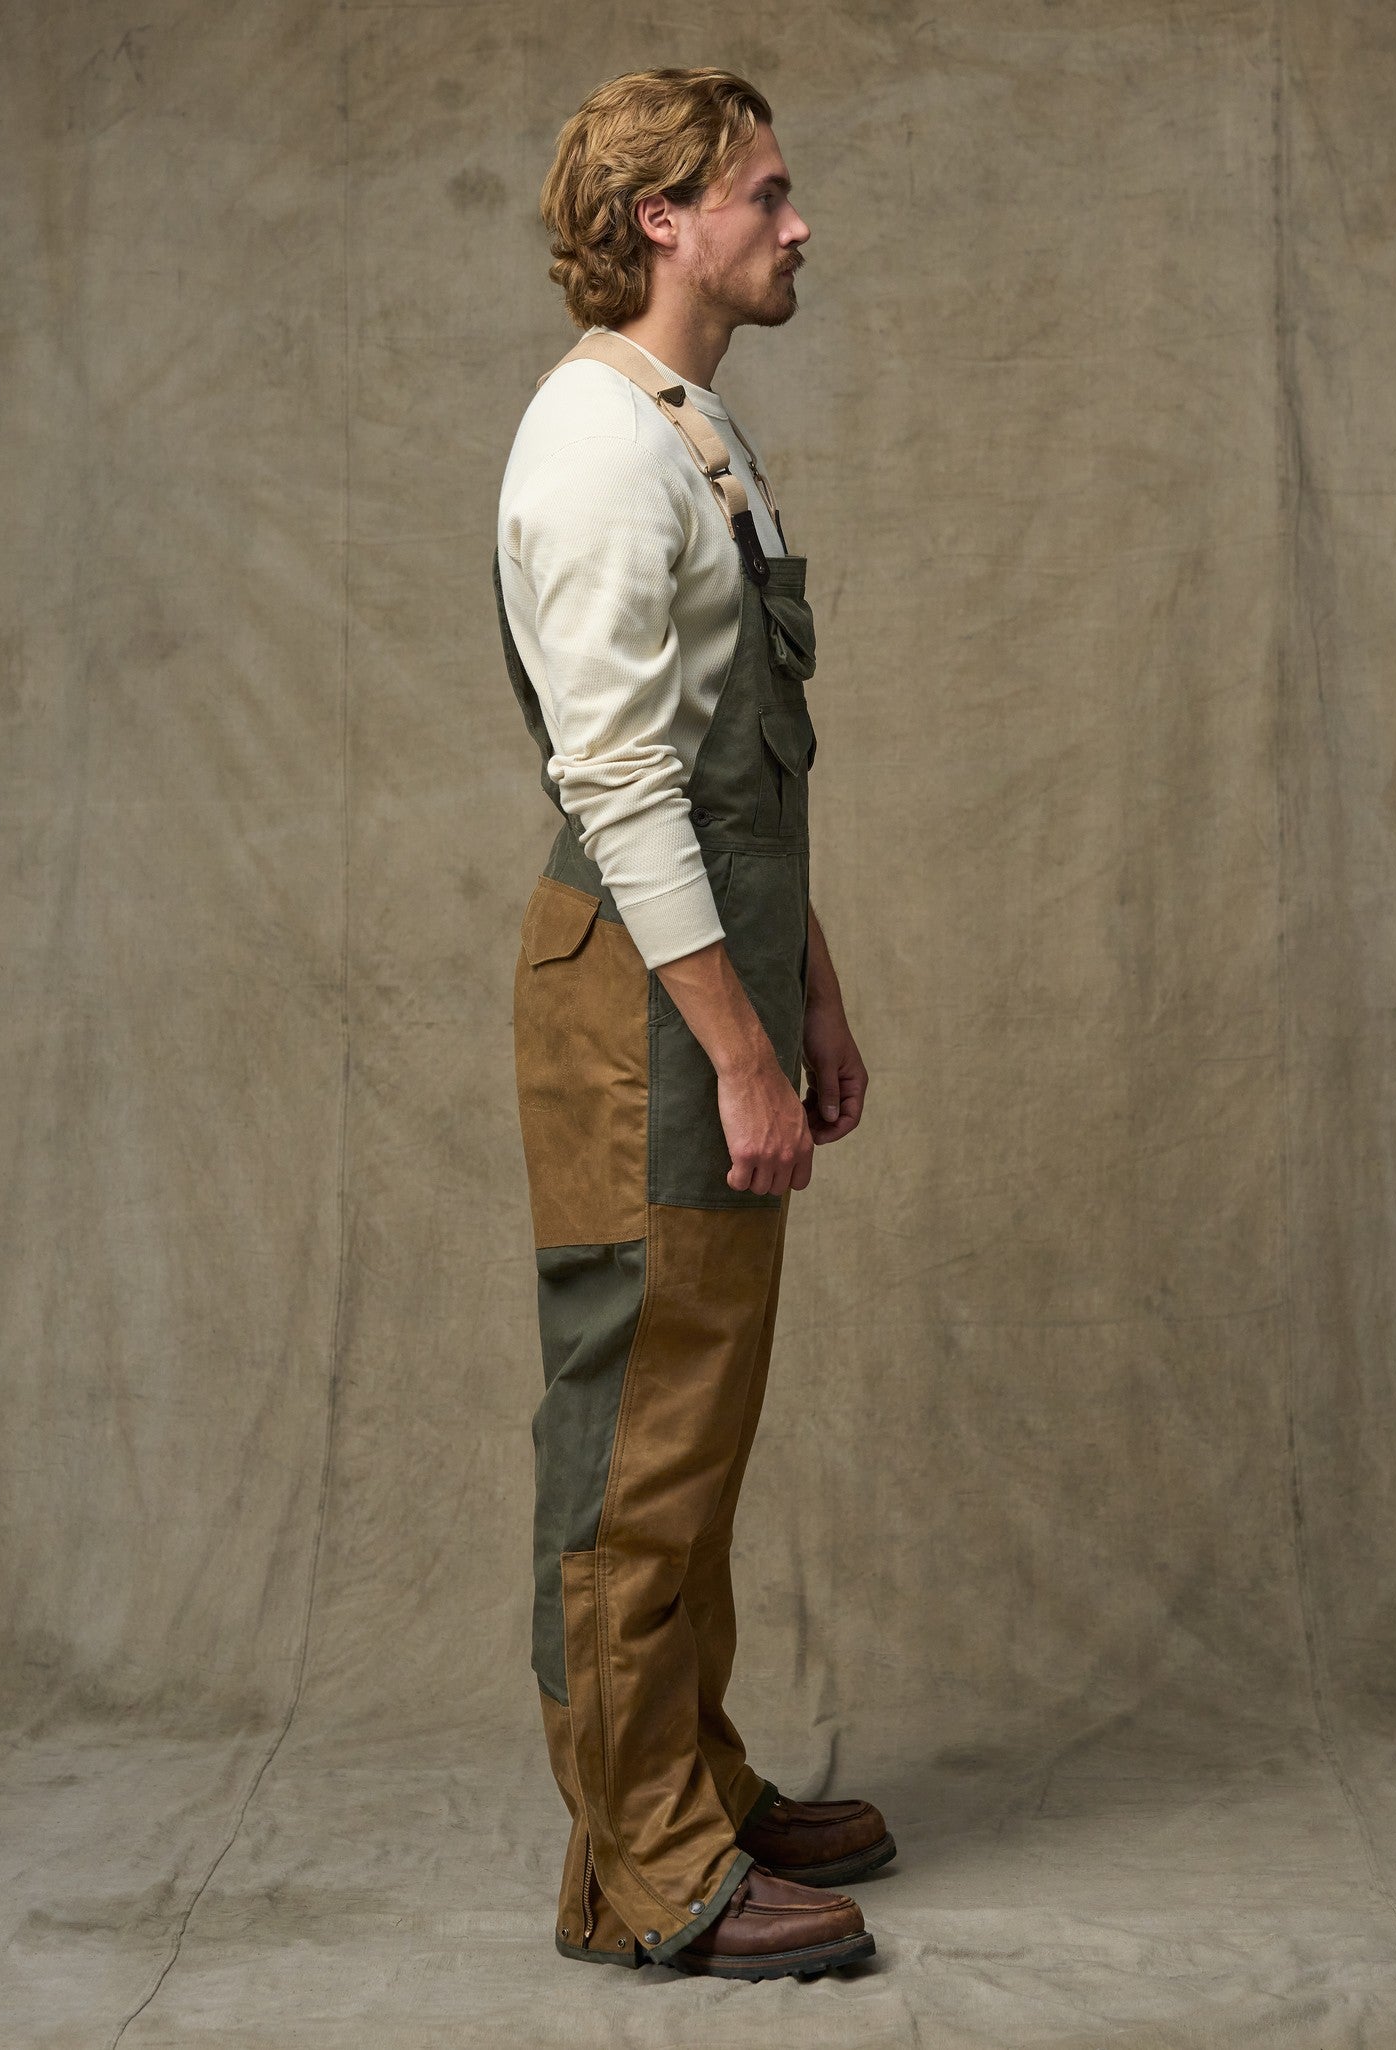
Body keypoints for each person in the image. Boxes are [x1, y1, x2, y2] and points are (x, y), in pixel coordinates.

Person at [492, 66, 889, 1982]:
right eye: (766, 192)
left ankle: (695, 1780)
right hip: (643, 1005)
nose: (798, 225)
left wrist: (808, 982)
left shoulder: (689, 423)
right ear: (666, 218)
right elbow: (627, 785)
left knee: (700, 1417)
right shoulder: (593, 445)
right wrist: (735, 1045)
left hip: (713, 971)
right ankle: (635, 1865)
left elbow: (747, 763)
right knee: (636, 1431)